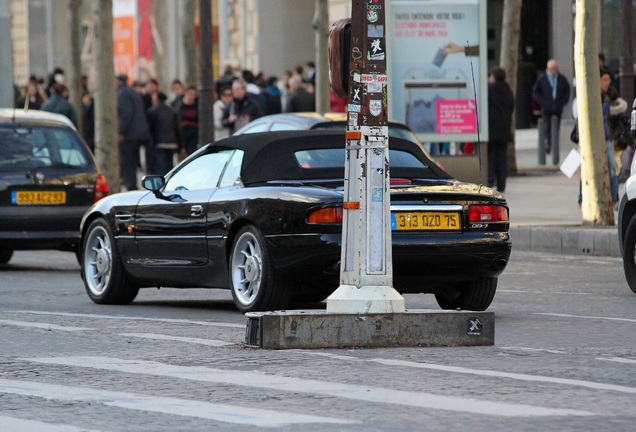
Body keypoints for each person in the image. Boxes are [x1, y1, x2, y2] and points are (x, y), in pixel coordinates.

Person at [532, 59, 571, 165]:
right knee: (546, 125)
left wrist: (563, 102)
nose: (554, 70)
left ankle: (553, 145)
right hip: (546, 107)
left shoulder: (561, 78)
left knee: (555, 126)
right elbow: (536, 92)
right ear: (548, 68)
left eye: (555, 68)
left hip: (558, 106)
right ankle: (548, 143)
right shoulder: (542, 79)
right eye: (552, 68)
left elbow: (567, 90)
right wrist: (543, 102)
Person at [116, 74, 150, 191]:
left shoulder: (122, 94)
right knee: (132, 161)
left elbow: (126, 114)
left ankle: (130, 186)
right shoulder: (132, 92)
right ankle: (132, 184)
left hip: (129, 135)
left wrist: (120, 132)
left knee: (127, 162)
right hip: (138, 133)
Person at [487, 67, 515, 193]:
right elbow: (511, 107)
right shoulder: (508, 90)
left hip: (491, 128)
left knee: (491, 156)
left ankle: (490, 179)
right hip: (504, 129)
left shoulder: (490, 90)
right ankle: (501, 184)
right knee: (502, 158)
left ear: (494, 77)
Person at [148, 92, 182, 175]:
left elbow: (150, 128)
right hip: (172, 142)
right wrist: (181, 144)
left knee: (160, 165)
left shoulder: (153, 111)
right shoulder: (172, 111)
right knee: (169, 164)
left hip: (159, 142)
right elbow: (178, 128)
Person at [179, 85, 199, 155]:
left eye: (194, 95)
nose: (191, 97)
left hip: (193, 133)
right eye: (190, 94)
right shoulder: (179, 105)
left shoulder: (197, 106)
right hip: (181, 133)